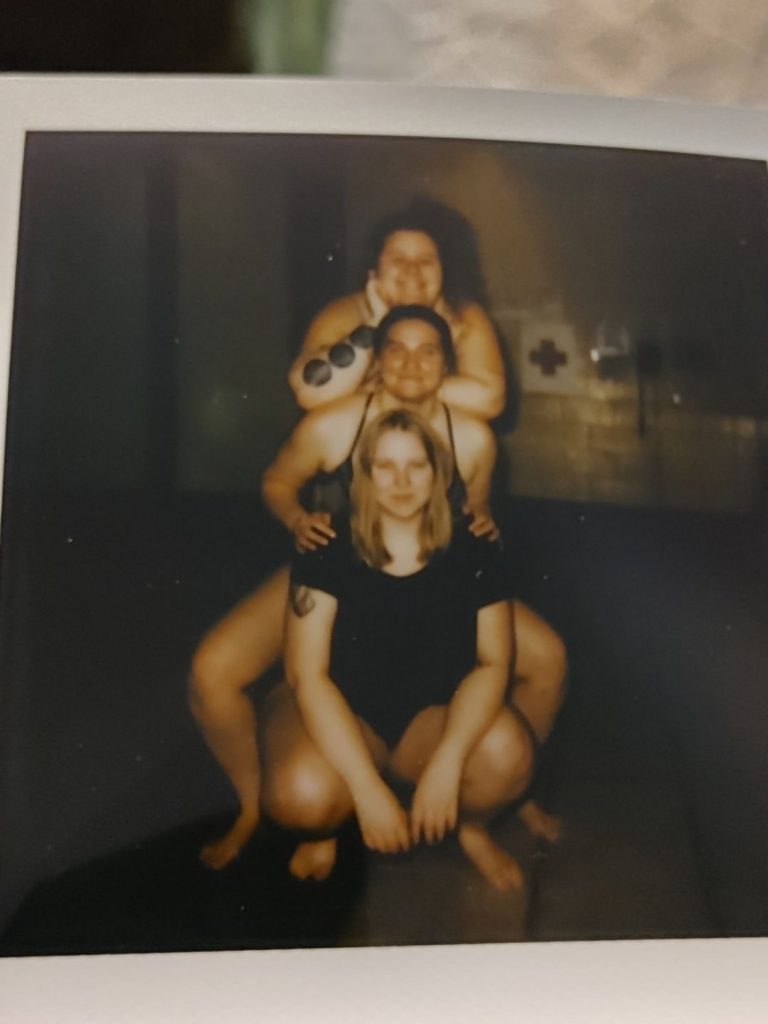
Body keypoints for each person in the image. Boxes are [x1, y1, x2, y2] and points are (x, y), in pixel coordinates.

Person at [190, 305, 565, 869]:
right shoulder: (335, 432)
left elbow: (478, 520)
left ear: (447, 365)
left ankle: (487, 808)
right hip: (338, 568)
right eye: (396, 349)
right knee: (229, 680)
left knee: (539, 672)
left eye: (428, 351)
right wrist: (297, 519)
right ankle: (280, 804)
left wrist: (453, 763)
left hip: (429, 593)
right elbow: (278, 483)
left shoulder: (473, 440)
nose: (401, 480)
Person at [264, 408, 533, 890]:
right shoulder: (325, 544)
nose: (402, 480)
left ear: (439, 474)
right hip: (344, 713)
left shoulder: (474, 547)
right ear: (363, 475)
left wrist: (448, 763)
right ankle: (330, 825)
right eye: (384, 466)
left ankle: (472, 828)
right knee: (301, 795)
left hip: (426, 723)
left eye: (416, 465)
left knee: (506, 751)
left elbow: (494, 663)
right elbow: (308, 676)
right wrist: (367, 791)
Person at [288, 199, 506, 419]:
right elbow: (310, 393)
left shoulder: (464, 314)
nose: (412, 270)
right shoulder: (345, 314)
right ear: (375, 269)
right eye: (398, 260)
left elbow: (489, 400)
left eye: (426, 261)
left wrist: (385, 385)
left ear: (443, 271)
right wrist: (373, 326)